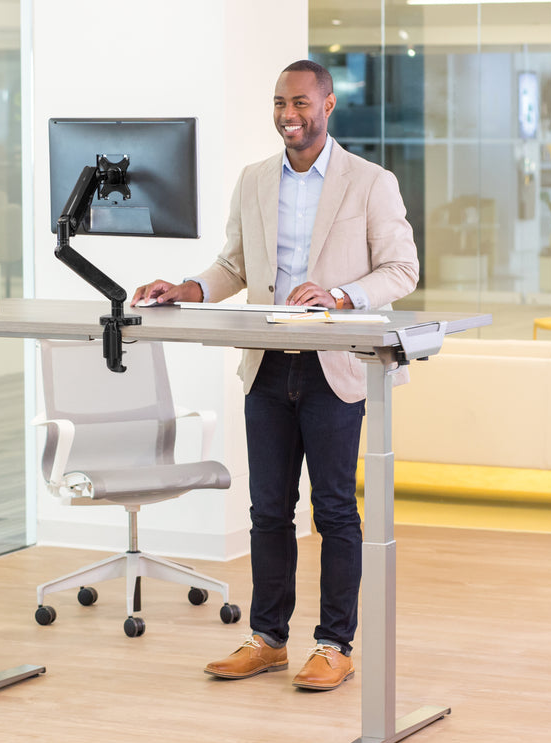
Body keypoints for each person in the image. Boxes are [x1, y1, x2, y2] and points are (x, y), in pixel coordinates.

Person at [131, 59, 419, 691]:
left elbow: (401, 270)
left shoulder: (370, 183)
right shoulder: (255, 180)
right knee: (267, 509)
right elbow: (233, 264)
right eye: (280, 103)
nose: (290, 114)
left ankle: (335, 644)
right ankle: (267, 638)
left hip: (335, 368)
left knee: (335, 509)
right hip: (266, 366)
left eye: (301, 103)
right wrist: (185, 288)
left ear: (328, 105)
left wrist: (339, 297)